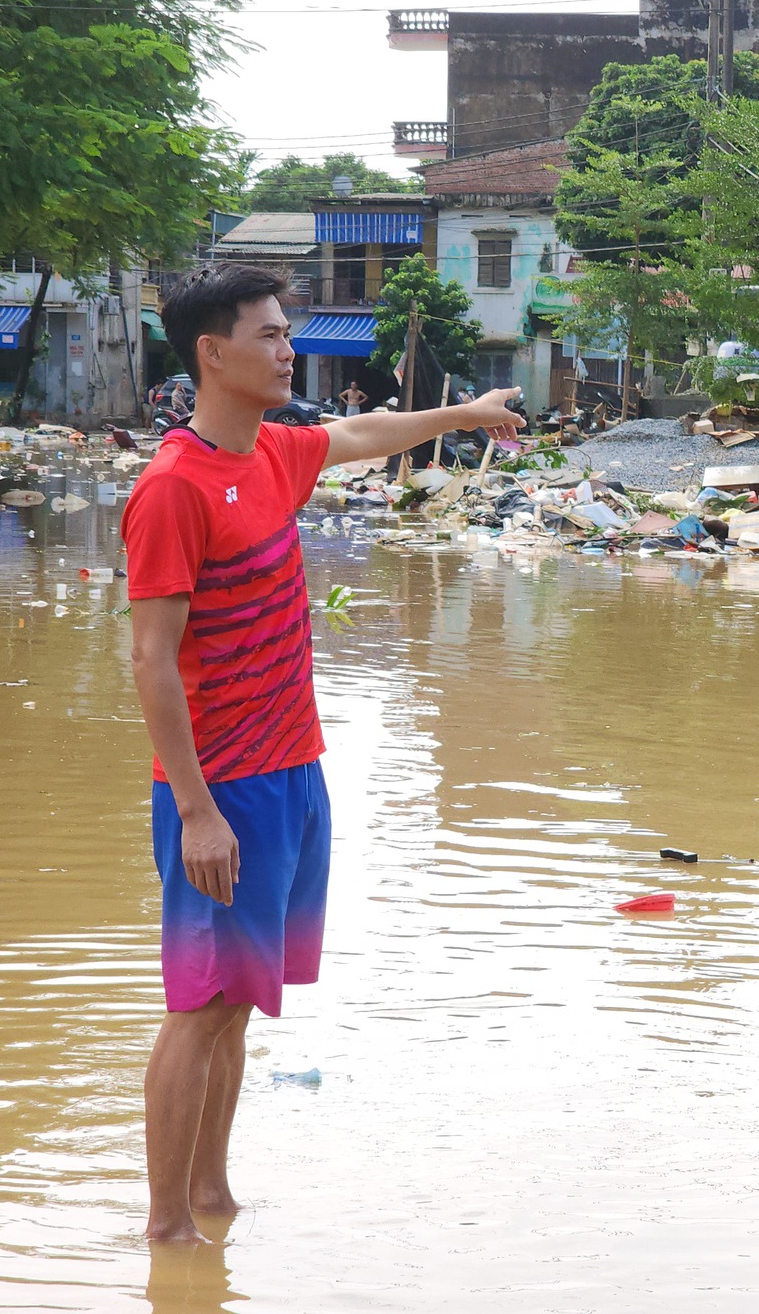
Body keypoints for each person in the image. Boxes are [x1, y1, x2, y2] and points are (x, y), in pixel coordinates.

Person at [121, 263, 521, 1243]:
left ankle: (212, 1199)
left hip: (293, 774)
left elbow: (355, 436)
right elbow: (149, 661)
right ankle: (165, 1234)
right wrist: (196, 806)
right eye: (267, 334)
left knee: (238, 1010)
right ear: (213, 354)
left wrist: (459, 413)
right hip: (224, 791)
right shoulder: (173, 489)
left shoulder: (268, 457)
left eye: (286, 331)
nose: (287, 348)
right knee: (200, 1005)